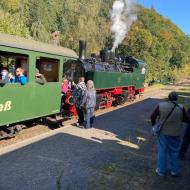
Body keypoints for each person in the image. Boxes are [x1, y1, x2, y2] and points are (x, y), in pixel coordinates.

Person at [150, 91, 190, 177]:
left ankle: (161, 171)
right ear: (177, 98)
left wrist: (154, 125)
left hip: (163, 133)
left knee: (162, 151)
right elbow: (187, 120)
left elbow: (152, 116)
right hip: (175, 133)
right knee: (174, 152)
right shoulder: (181, 107)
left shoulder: (161, 105)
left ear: (168, 97)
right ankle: (174, 171)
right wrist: (179, 119)